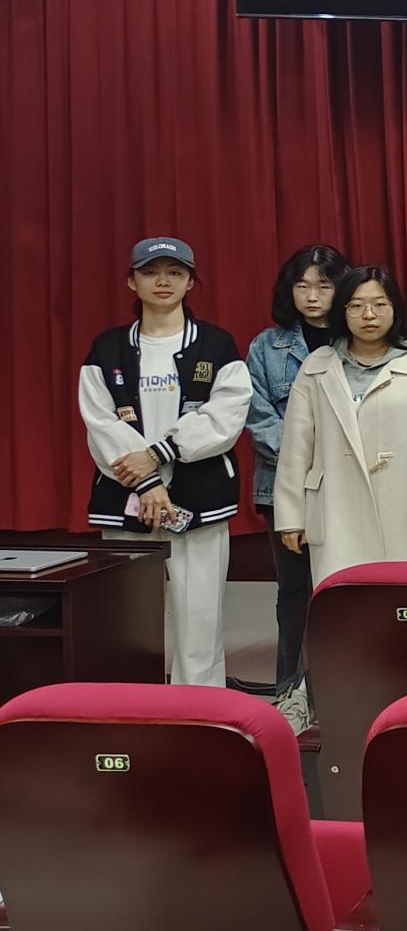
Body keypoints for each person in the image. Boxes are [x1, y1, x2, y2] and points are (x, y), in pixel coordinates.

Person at [82, 236, 253, 688]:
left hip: (200, 499)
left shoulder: (217, 345)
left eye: (175, 273)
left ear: (190, 282)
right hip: (125, 498)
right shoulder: (106, 349)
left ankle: (199, 709)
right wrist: (147, 483)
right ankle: (133, 708)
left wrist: (160, 455)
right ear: (132, 281)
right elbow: (100, 423)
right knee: (129, 618)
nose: (163, 281)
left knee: (201, 616)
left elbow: (225, 416)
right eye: (151, 272)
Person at [276, 264, 407, 583]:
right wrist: (291, 517)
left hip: (404, 505)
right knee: (343, 599)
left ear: (395, 309)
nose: (369, 315)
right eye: (357, 305)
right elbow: (296, 447)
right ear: (343, 311)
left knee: (404, 598)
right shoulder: (317, 365)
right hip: (335, 506)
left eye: (379, 304)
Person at [246, 243, 345, 707]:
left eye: (323, 285)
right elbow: (258, 416)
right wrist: (304, 462)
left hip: (347, 485)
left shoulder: (357, 339)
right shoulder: (266, 346)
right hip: (282, 487)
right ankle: (289, 688)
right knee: (294, 590)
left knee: (341, 587)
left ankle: (341, 682)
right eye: (302, 286)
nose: (312, 295)